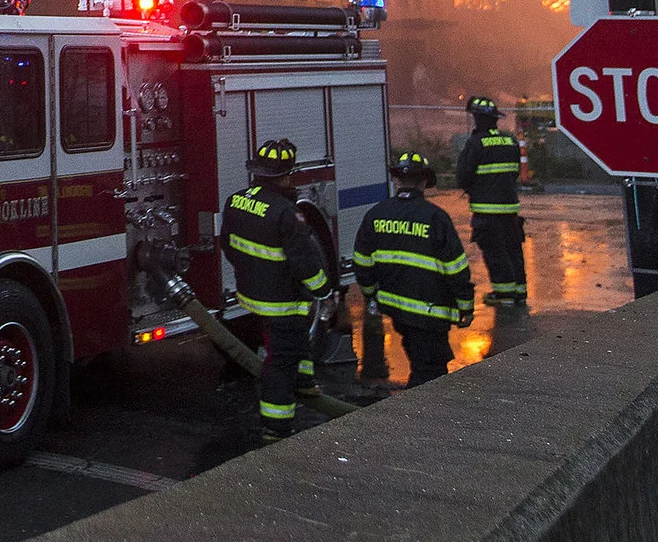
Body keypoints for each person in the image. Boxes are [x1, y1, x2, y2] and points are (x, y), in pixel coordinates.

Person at [222, 137, 330, 440]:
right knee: (279, 363)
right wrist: (322, 291)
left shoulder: (235, 200)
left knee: (292, 343)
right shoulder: (286, 213)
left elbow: (228, 246)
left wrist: (254, 274)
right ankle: (276, 426)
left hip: (251, 295)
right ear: (287, 174)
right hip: (282, 300)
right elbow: (305, 262)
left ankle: (305, 380)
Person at [352, 149, 473, 384]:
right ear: (425, 181)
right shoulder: (436, 218)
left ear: (398, 179)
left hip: (398, 311)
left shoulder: (377, 213)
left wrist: (372, 295)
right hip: (431, 314)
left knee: (421, 362)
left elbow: (361, 261)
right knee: (430, 372)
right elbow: (456, 269)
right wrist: (466, 307)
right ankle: (418, 416)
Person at [455, 95, 527, 308]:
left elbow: (464, 176)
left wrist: (476, 189)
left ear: (477, 119)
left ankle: (504, 294)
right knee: (513, 249)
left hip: (486, 211)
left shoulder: (476, 143)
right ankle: (520, 292)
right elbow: (514, 172)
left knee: (495, 253)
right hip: (510, 209)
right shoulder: (509, 141)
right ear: (495, 119)